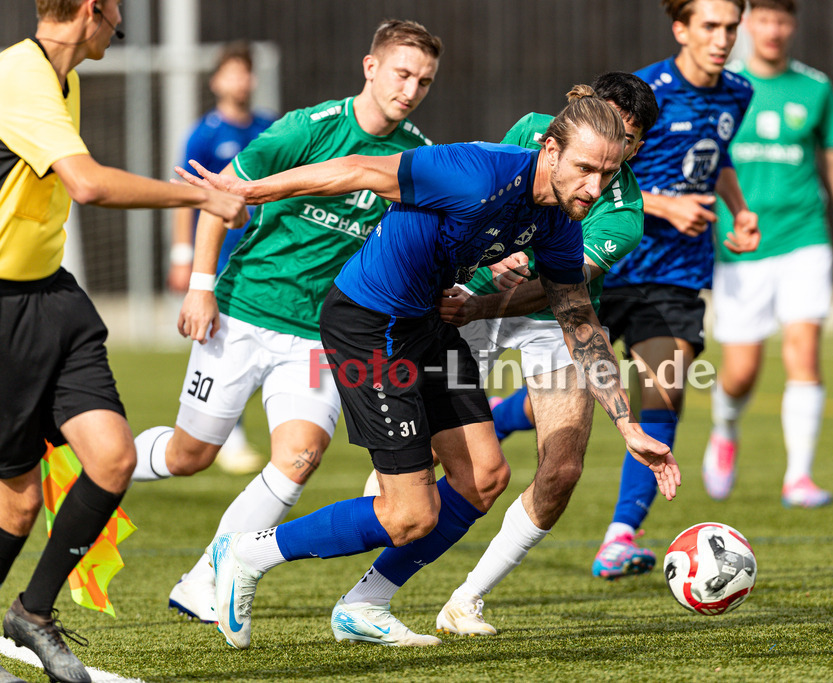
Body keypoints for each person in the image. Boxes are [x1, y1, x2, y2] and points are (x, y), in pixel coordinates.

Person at [178, 86, 681, 650]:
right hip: (370, 328)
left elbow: (580, 320)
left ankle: (364, 606)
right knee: (409, 515)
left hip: (427, 328)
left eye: (608, 174)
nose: (595, 186)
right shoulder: (474, 171)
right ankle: (245, 551)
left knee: (485, 477)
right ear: (550, 149)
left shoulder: (561, 222)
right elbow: (357, 169)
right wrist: (248, 190)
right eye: (585, 168)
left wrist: (626, 425)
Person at [130, 19, 443, 625]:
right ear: (371, 67)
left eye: (424, 81)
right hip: (245, 312)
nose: (411, 89)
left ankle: (204, 579)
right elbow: (222, 198)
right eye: (402, 73)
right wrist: (200, 288)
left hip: (320, 334)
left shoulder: (417, 157)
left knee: (299, 456)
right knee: (190, 454)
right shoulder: (309, 128)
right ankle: (108, 463)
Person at [0, 1, 246, 681]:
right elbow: (86, 183)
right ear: (91, 10)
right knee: (18, 500)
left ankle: (31, 613)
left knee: (110, 458)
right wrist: (196, 198)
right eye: (116, 16)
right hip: (4, 311)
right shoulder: (17, 75)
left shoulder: (64, 76)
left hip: (54, 297)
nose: (118, 29)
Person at [397, 71, 659, 636]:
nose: (612, 136)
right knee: (420, 458)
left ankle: (466, 599)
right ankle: (372, 560)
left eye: (628, 136)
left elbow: (566, 288)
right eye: (605, 119)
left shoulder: (625, 211)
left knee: (562, 468)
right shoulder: (535, 132)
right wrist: (489, 263)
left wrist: (485, 307)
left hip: (549, 325)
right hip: (470, 299)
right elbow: (486, 199)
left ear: (635, 146)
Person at [587, 0, 758, 579]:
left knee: (662, 392)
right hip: (610, 263)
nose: (722, 37)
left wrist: (738, 210)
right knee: (564, 399)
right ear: (681, 28)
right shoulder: (647, 94)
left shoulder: (738, 91)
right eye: (710, 26)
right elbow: (603, 167)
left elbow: (718, 157)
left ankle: (619, 536)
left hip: (678, 274)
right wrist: (664, 205)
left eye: (731, 26)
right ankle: (490, 418)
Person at [701, 0, 833, 508]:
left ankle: (799, 476)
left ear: (793, 25)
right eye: (764, 19)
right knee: (742, 371)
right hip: (741, 245)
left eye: (783, 20)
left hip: (805, 237)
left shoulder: (815, 88)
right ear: (748, 24)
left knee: (803, 350)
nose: (773, 30)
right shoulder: (723, 86)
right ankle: (725, 428)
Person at [166, 41, 277, 476]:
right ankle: (226, 431)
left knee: (264, 344)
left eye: (246, 72)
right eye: (232, 72)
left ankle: (236, 423)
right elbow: (184, 196)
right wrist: (182, 257)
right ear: (216, 81)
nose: (240, 81)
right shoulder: (205, 133)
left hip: (264, 257)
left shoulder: (270, 127)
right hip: (219, 257)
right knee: (220, 341)